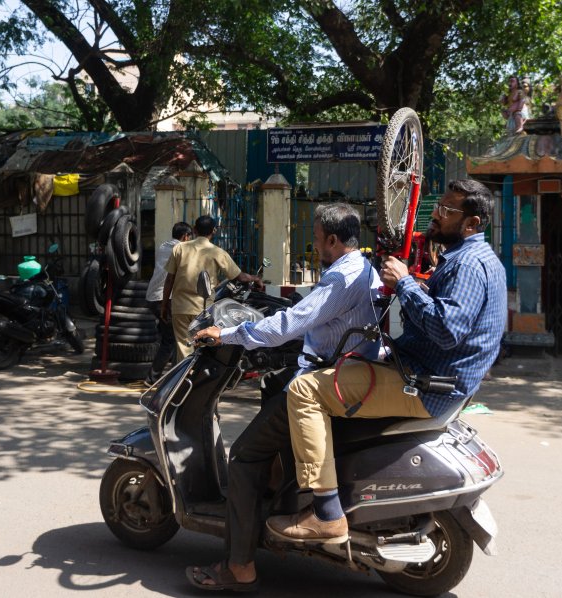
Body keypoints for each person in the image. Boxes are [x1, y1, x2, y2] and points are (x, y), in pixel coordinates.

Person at [266, 179, 507, 544]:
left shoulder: (468, 264)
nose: (437, 215)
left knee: (304, 391)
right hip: (431, 373)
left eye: (446, 210)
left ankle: (326, 514)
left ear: (471, 224)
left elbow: (447, 330)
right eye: (439, 206)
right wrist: (420, 289)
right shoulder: (476, 258)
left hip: (427, 384)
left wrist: (407, 285)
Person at [185, 203, 382, 592]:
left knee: (243, 455)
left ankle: (239, 566)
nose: (314, 245)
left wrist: (226, 334)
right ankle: (277, 502)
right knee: (274, 392)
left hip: (326, 377)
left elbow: (292, 324)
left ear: (330, 239)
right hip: (348, 366)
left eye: (316, 238)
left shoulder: (341, 278)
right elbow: (312, 313)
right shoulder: (363, 267)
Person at [162, 215, 262, 360]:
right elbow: (240, 277)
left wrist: (164, 304)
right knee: (203, 348)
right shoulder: (217, 252)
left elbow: (169, 279)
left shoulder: (179, 248)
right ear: (214, 231)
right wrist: (256, 278)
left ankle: (183, 379)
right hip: (203, 309)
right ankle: (197, 379)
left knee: (184, 349)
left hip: (180, 307)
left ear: (194, 230)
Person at [143, 221, 192, 385]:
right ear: (185, 236)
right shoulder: (181, 249)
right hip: (163, 299)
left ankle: (165, 377)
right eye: (189, 237)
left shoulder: (164, 246)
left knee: (170, 338)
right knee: (171, 340)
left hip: (153, 297)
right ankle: (155, 379)